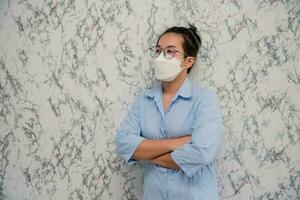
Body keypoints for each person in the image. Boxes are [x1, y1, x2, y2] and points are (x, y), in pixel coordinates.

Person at [116, 24, 223, 200]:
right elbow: (124, 143)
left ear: (189, 61)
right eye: (158, 51)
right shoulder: (144, 100)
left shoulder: (204, 100)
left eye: (170, 52)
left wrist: (149, 155)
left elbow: (202, 152)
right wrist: (179, 143)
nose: (160, 57)